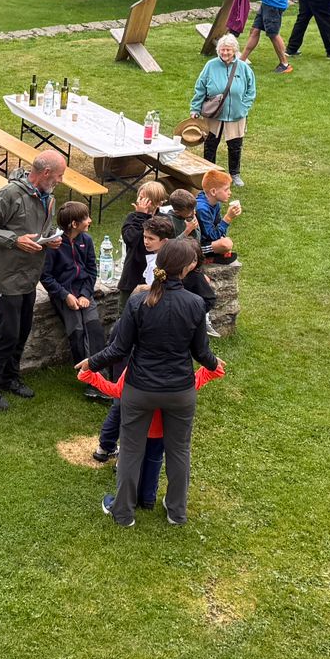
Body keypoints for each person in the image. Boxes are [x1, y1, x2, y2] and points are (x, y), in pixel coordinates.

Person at [84, 238, 220, 527]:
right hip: (179, 391)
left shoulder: (138, 302)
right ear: (189, 267)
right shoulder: (195, 303)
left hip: (140, 390)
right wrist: (213, 364)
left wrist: (91, 363)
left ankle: (123, 512)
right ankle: (176, 512)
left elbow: (118, 349)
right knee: (179, 451)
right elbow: (201, 352)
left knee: (131, 450)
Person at [91, 215, 216, 465]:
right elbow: (121, 344)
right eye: (145, 237)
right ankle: (112, 449)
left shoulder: (182, 281)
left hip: (144, 359)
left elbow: (204, 302)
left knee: (127, 404)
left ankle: (118, 456)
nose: (145, 242)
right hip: (144, 358)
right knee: (124, 403)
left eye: (151, 238)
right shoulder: (156, 275)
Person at [0, 149, 65, 411]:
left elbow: (42, 229)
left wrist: (51, 238)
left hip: (29, 275)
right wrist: (15, 240)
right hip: (6, 276)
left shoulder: (48, 197)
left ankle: (9, 377)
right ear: (46, 173)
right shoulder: (9, 194)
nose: (60, 181)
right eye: (59, 175)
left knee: (23, 331)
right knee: (9, 335)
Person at [85, 356, 222, 517]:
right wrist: (211, 367)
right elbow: (194, 383)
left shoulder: (136, 368)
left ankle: (129, 501)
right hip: (161, 431)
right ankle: (148, 498)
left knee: (132, 462)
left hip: (137, 429)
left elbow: (117, 390)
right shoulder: (179, 372)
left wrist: (90, 375)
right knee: (154, 461)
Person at [42, 202, 107, 394]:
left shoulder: (86, 240)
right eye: (86, 218)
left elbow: (91, 271)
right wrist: (66, 296)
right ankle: (88, 378)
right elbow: (46, 276)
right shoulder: (54, 244)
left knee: (94, 328)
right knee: (77, 331)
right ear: (74, 224)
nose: (90, 221)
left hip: (84, 293)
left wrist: (85, 294)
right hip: (64, 295)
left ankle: (101, 376)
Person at [189, 33, 257, 182]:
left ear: (235, 51)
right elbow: (200, 88)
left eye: (228, 50)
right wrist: (195, 108)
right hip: (214, 113)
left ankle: (235, 174)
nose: (225, 53)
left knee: (235, 145)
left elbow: (251, 90)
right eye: (222, 49)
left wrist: (243, 107)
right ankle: (209, 172)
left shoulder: (243, 67)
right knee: (210, 144)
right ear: (218, 50)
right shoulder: (210, 65)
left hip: (236, 114)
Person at [114, 180, 167, 302]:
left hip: (154, 278)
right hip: (132, 277)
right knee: (125, 309)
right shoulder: (133, 218)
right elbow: (130, 239)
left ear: (157, 202)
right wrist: (140, 217)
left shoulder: (164, 220)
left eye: (144, 199)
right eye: (139, 197)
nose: (139, 201)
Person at [195, 168, 242, 263]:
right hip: (195, 246)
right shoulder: (201, 209)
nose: (230, 192)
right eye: (226, 189)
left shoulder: (215, 203)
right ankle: (204, 258)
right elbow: (211, 236)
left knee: (226, 242)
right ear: (213, 192)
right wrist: (228, 218)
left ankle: (214, 255)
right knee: (226, 244)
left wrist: (222, 236)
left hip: (207, 240)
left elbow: (217, 226)